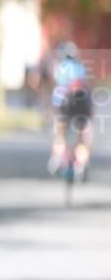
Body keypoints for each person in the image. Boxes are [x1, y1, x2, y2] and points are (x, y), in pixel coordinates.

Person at [47, 41, 93, 178]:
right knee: (82, 138)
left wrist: (52, 110)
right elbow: (88, 89)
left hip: (64, 105)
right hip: (82, 105)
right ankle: (81, 164)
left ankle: (57, 158)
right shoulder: (82, 68)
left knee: (60, 133)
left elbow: (57, 92)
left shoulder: (60, 68)